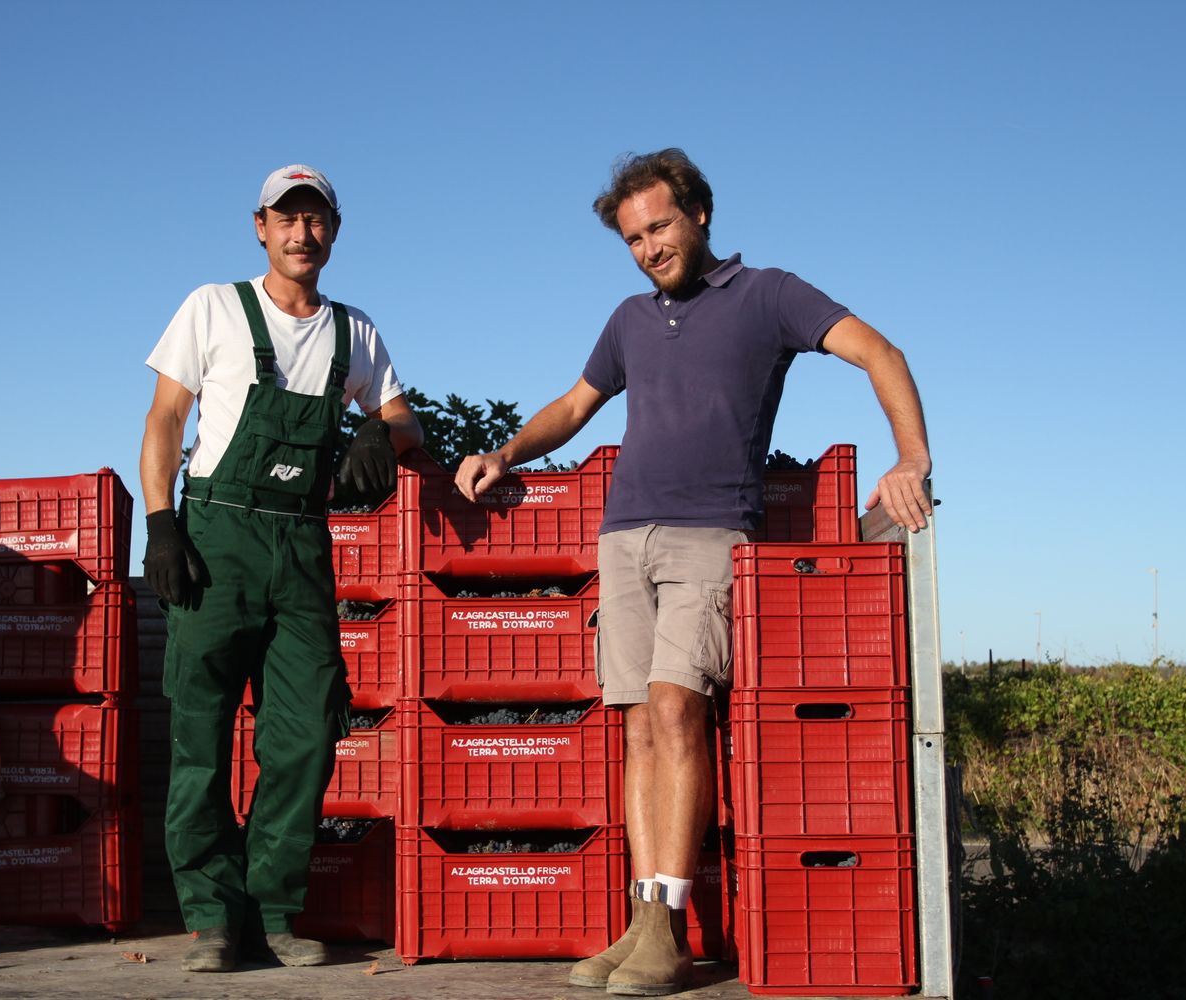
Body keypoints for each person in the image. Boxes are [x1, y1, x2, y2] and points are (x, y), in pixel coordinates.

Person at [455, 148, 931, 996]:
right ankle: (643, 923)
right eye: (634, 238)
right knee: (637, 722)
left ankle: (669, 930)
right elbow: (573, 406)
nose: (648, 249)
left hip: (711, 536)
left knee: (678, 708)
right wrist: (505, 450)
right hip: (623, 535)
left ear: (701, 213)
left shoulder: (771, 294)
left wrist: (911, 460)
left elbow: (881, 352)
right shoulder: (629, 320)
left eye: (660, 227)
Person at [139, 164, 423, 974]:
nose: (303, 233)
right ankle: (210, 920)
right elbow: (165, 420)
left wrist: (380, 435)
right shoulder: (213, 307)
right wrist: (162, 523)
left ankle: (273, 913)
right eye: (286, 218)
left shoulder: (354, 333)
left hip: (301, 548)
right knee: (198, 738)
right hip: (213, 540)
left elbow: (406, 423)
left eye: (318, 219)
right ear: (260, 226)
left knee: (303, 739)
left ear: (335, 230)